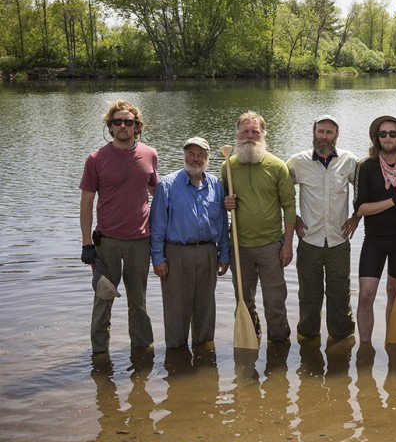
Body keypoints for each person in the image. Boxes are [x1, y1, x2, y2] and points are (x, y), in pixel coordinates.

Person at [79, 99, 157, 354]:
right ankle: (99, 355)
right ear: (110, 127)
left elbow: (157, 192)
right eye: (117, 122)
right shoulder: (96, 158)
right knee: (103, 298)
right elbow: (87, 202)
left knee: (139, 301)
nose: (123, 126)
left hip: (140, 241)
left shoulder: (149, 155)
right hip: (107, 241)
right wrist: (87, 244)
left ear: (137, 127)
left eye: (128, 122)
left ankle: (142, 352)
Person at [222, 111, 296, 342]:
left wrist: (288, 246)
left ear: (263, 134)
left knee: (274, 301)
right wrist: (226, 202)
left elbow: (289, 207)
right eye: (245, 131)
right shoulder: (229, 166)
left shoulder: (277, 166)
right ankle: (250, 340)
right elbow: (220, 203)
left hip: (271, 246)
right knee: (243, 299)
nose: (250, 136)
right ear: (238, 134)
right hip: (240, 246)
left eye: (255, 131)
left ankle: (279, 345)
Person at [150, 137, 230, 349]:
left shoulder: (216, 185)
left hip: (207, 253)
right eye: (191, 154)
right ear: (184, 155)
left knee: (205, 307)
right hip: (176, 253)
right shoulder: (167, 185)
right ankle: (176, 354)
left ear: (207, 158)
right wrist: (158, 258)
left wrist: (224, 254)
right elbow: (157, 226)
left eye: (200, 154)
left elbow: (222, 222)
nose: (195, 159)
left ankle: (204, 352)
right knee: (176, 308)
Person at [286, 114, 360, 341]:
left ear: (336, 135)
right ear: (314, 133)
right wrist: (293, 216)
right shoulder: (297, 162)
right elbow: (281, 191)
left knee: (340, 294)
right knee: (309, 294)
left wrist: (356, 217)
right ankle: (308, 336)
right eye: (321, 132)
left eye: (329, 132)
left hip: (339, 240)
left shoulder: (350, 161)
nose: (324, 137)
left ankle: (341, 339)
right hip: (310, 240)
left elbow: (363, 190)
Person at [353, 115, 396, 343]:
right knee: (366, 295)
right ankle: (365, 346)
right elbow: (360, 209)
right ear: (377, 138)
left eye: (393, 133)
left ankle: (392, 340)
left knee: (394, 292)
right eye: (383, 134)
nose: (388, 138)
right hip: (374, 240)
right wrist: (394, 200)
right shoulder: (365, 167)